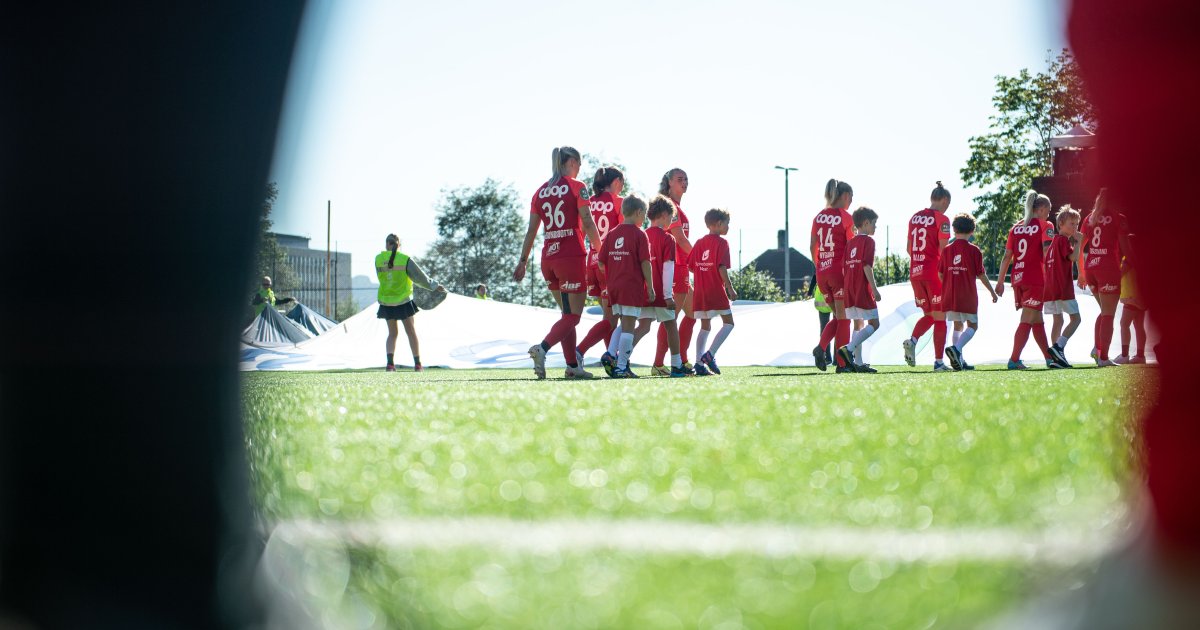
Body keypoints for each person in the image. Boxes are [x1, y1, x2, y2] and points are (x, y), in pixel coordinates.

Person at [513, 146, 603, 379]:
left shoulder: (540, 192)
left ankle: (572, 366)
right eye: (579, 162)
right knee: (573, 317)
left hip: (548, 260)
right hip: (571, 257)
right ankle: (541, 349)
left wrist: (522, 261)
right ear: (571, 162)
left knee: (566, 316)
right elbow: (588, 222)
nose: (580, 167)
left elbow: (531, 231)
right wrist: (600, 252)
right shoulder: (577, 187)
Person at [611, 194, 690, 377]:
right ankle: (677, 364)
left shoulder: (642, 234)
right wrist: (668, 295)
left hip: (644, 293)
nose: (672, 221)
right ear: (664, 215)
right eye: (671, 217)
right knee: (671, 324)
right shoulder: (667, 239)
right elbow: (668, 268)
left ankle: (622, 360)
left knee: (643, 326)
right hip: (661, 294)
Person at [997, 191, 1067, 370]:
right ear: (1041, 209)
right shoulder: (1046, 225)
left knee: (1037, 320)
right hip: (1035, 278)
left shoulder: (1016, 228)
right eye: (1048, 210)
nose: (1049, 213)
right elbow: (1046, 252)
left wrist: (999, 282)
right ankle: (1013, 360)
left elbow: (1007, 257)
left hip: (1018, 278)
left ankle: (1049, 359)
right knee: (1027, 319)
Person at [598, 194, 654, 378]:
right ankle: (621, 366)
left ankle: (610, 353)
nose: (645, 218)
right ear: (638, 212)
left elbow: (601, 262)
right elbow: (646, 263)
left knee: (623, 323)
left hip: (615, 286)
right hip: (631, 286)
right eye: (645, 213)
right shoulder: (640, 234)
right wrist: (651, 287)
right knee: (629, 326)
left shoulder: (612, 233)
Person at [375, 234, 446, 372]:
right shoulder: (404, 259)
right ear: (399, 245)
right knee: (411, 332)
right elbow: (420, 277)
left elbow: (380, 277)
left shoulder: (378, 259)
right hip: (403, 301)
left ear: (386, 244)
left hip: (386, 302)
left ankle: (390, 365)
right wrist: (435, 286)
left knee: (392, 334)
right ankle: (418, 364)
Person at [902, 182, 953, 371]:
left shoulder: (914, 217)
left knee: (930, 315)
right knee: (940, 318)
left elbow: (909, 248)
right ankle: (939, 362)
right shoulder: (942, 219)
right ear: (944, 200)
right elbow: (943, 248)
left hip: (915, 272)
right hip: (934, 273)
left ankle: (913, 341)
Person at [577, 166, 625, 366]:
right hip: (610, 263)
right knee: (611, 320)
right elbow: (625, 233)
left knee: (609, 318)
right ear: (616, 182)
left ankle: (610, 358)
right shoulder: (620, 203)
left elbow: (581, 228)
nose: (622, 188)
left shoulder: (590, 203)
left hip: (592, 262)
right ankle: (579, 351)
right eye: (622, 183)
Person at [1078, 188, 1131, 367]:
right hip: (1107, 269)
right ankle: (1103, 358)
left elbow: (1079, 246)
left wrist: (1081, 272)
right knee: (1108, 314)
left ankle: (1097, 348)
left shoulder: (1089, 218)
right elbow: (1127, 251)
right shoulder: (1119, 218)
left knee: (1104, 311)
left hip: (1091, 268)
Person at [651, 168, 696, 375]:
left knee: (693, 312)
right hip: (675, 267)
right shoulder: (669, 206)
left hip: (682, 267)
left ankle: (683, 359)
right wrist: (702, 260)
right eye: (680, 179)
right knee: (670, 317)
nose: (685, 182)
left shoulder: (677, 206)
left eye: (686, 179)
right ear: (669, 183)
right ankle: (659, 364)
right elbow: (679, 238)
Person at [940, 213, 998, 371]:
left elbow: (940, 274)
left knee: (958, 325)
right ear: (972, 230)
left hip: (950, 296)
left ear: (953, 229)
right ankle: (956, 350)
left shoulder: (946, 250)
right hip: (967, 296)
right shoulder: (974, 251)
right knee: (973, 325)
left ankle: (959, 360)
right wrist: (992, 293)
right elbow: (981, 274)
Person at [810, 179, 856, 372]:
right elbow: (851, 247)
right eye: (851, 198)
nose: (851, 202)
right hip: (839, 272)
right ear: (845, 196)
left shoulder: (819, 217)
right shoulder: (846, 217)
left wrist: (820, 265)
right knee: (844, 318)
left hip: (822, 272)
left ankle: (820, 348)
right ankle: (842, 364)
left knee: (838, 316)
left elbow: (813, 246)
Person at [689, 209, 737, 376]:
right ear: (718, 224)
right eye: (727, 224)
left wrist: (704, 273)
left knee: (705, 326)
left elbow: (692, 267)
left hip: (700, 292)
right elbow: (721, 267)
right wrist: (729, 287)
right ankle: (709, 355)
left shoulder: (699, 242)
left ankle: (698, 364)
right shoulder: (722, 243)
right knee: (729, 323)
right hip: (716, 290)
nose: (728, 227)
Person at [836, 207, 882, 373]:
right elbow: (866, 266)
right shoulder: (869, 242)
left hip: (850, 289)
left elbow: (844, 269)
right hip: (862, 289)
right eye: (874, 224)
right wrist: (875, 290)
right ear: (866, 223)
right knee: (875, 323)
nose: (875, 227)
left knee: (858, 324)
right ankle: (848, 349)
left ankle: (859, 363)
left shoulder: (850, 244)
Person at [1044, 206, 1084, 367]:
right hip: (1063, 288)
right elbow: (1073, 257)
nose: (1075, 227)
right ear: (1061, 223)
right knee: (1076, 319)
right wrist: (1079, 241)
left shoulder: (1053, 243)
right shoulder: (1063, 241)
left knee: (1058, 320)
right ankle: (1058, 346)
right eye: (1072, 224)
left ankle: (1056, 359)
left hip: (1051, 290)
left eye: (1076, 224)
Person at [1114, 240, 1148, 364]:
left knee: (1124, 324)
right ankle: (1140, 355)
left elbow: (1120, 274)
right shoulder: (1141, 258)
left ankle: (1124, 355)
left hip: (1131, 297)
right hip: (1140, 296)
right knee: (1139, 325)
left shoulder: (1129, 258)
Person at [809, 279, 834, 365]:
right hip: (836, 296)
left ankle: (827, 356)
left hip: (823, 300)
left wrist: (809, 291)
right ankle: (837, 358)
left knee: (825, 328)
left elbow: (815, 276)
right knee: (838, 327)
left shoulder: (820, 266)